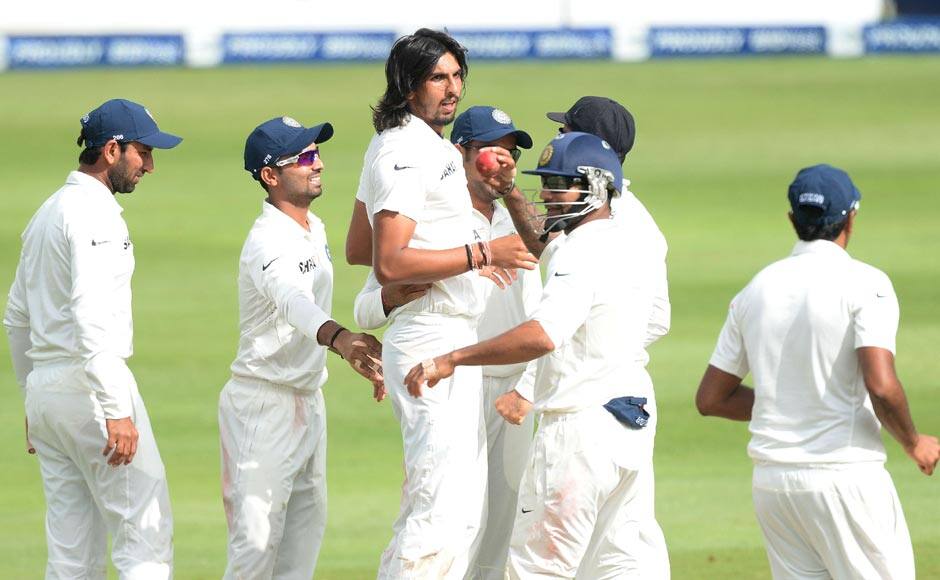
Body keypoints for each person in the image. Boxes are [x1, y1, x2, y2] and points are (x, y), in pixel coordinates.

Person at [404, 131, 670, 578]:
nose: (546, 195)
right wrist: (510, 192)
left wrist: (452, 358)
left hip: (577, 432)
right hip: (631, 422)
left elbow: (543, 335)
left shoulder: (580, 250)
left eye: (559, 184)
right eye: (545, 182)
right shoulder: (630, 238)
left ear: (597, 187)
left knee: (536, 571)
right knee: (620, 565)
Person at [352, 29, 538, 578]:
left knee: (442, 510)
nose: (452, 88)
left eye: (457, 76)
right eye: (438, 77)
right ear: (409, 86)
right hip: (433, 336)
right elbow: (385, 260)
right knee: (443, 515)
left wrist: (430, 264)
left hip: (448, 333)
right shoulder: (407, 152)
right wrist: (483, 251)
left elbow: (357, 247)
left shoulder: (408, 145)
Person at [695, 164, 940, 580]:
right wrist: (914, 442)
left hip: (774, 487)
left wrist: (788, 402)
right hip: (844, 477)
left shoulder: (756, 289)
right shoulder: (866, 283)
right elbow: (881, 386)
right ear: (851, 218)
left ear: (793, 219)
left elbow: (712, 399)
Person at [3, 98, 181, 578]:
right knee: (144, 537)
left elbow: (16, 318)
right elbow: (90, 317)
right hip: (92, 392)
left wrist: (32, 397)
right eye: (143, 153)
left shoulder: (47, 211)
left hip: (48, 394)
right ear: (111, 150)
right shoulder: (94, 215)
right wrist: (115, 408)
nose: (150, 166)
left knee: (70, 552)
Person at [219, 116, 384, 579]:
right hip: (262, 405)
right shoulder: (267, 241)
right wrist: (341, 338)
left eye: (317, 153)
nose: (319, 164)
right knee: (254, 551)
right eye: (304, 157)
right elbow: (293, 302)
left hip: (308, 401)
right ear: (270, 176)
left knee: (302, 546)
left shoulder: (314, 227)